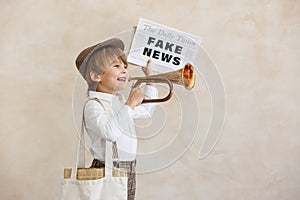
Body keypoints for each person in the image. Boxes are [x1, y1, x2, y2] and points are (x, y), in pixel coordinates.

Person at [75, 38, 157, 200]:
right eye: (117, 66)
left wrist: (150, 78)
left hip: (129, 169)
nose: (125, 71)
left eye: (125, 66)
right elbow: (109, 133)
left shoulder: (118, 101)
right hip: (107, 169)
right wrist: (130, 104)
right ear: (96, 76)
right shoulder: (94, 105)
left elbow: (147, 110)